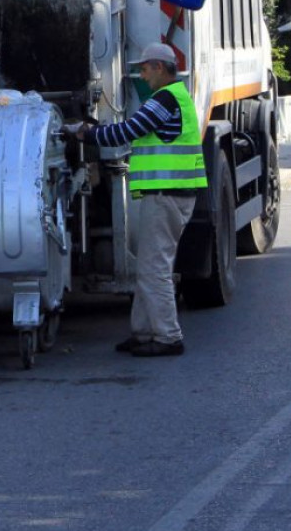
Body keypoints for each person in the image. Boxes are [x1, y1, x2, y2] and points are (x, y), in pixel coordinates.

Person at [68, 42, 205, 357]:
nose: (142, 76)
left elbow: (127, 132)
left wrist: (85, 133)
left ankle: (168, 337)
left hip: (167, 195)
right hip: (171, 194)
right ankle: (144, 332)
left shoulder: (164, 100)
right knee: (148, 266)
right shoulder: (176, 97)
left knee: (154, 269)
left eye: (144, 69)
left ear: (159, 67)